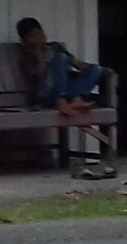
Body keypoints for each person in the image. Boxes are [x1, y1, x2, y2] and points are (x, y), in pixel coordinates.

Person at [17, 17, 116, 179]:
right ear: (25, 39)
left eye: (40, 32)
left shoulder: (56, 48)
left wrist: (97, 71)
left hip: (64, 93)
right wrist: (38, 52)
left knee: (96, 70)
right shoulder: (26, 56)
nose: (40, 37)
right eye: (34, 35)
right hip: (44, 97)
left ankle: (74, 99)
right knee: (61, 59)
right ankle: (64, 100)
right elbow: (39, 76)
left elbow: (77, 64)